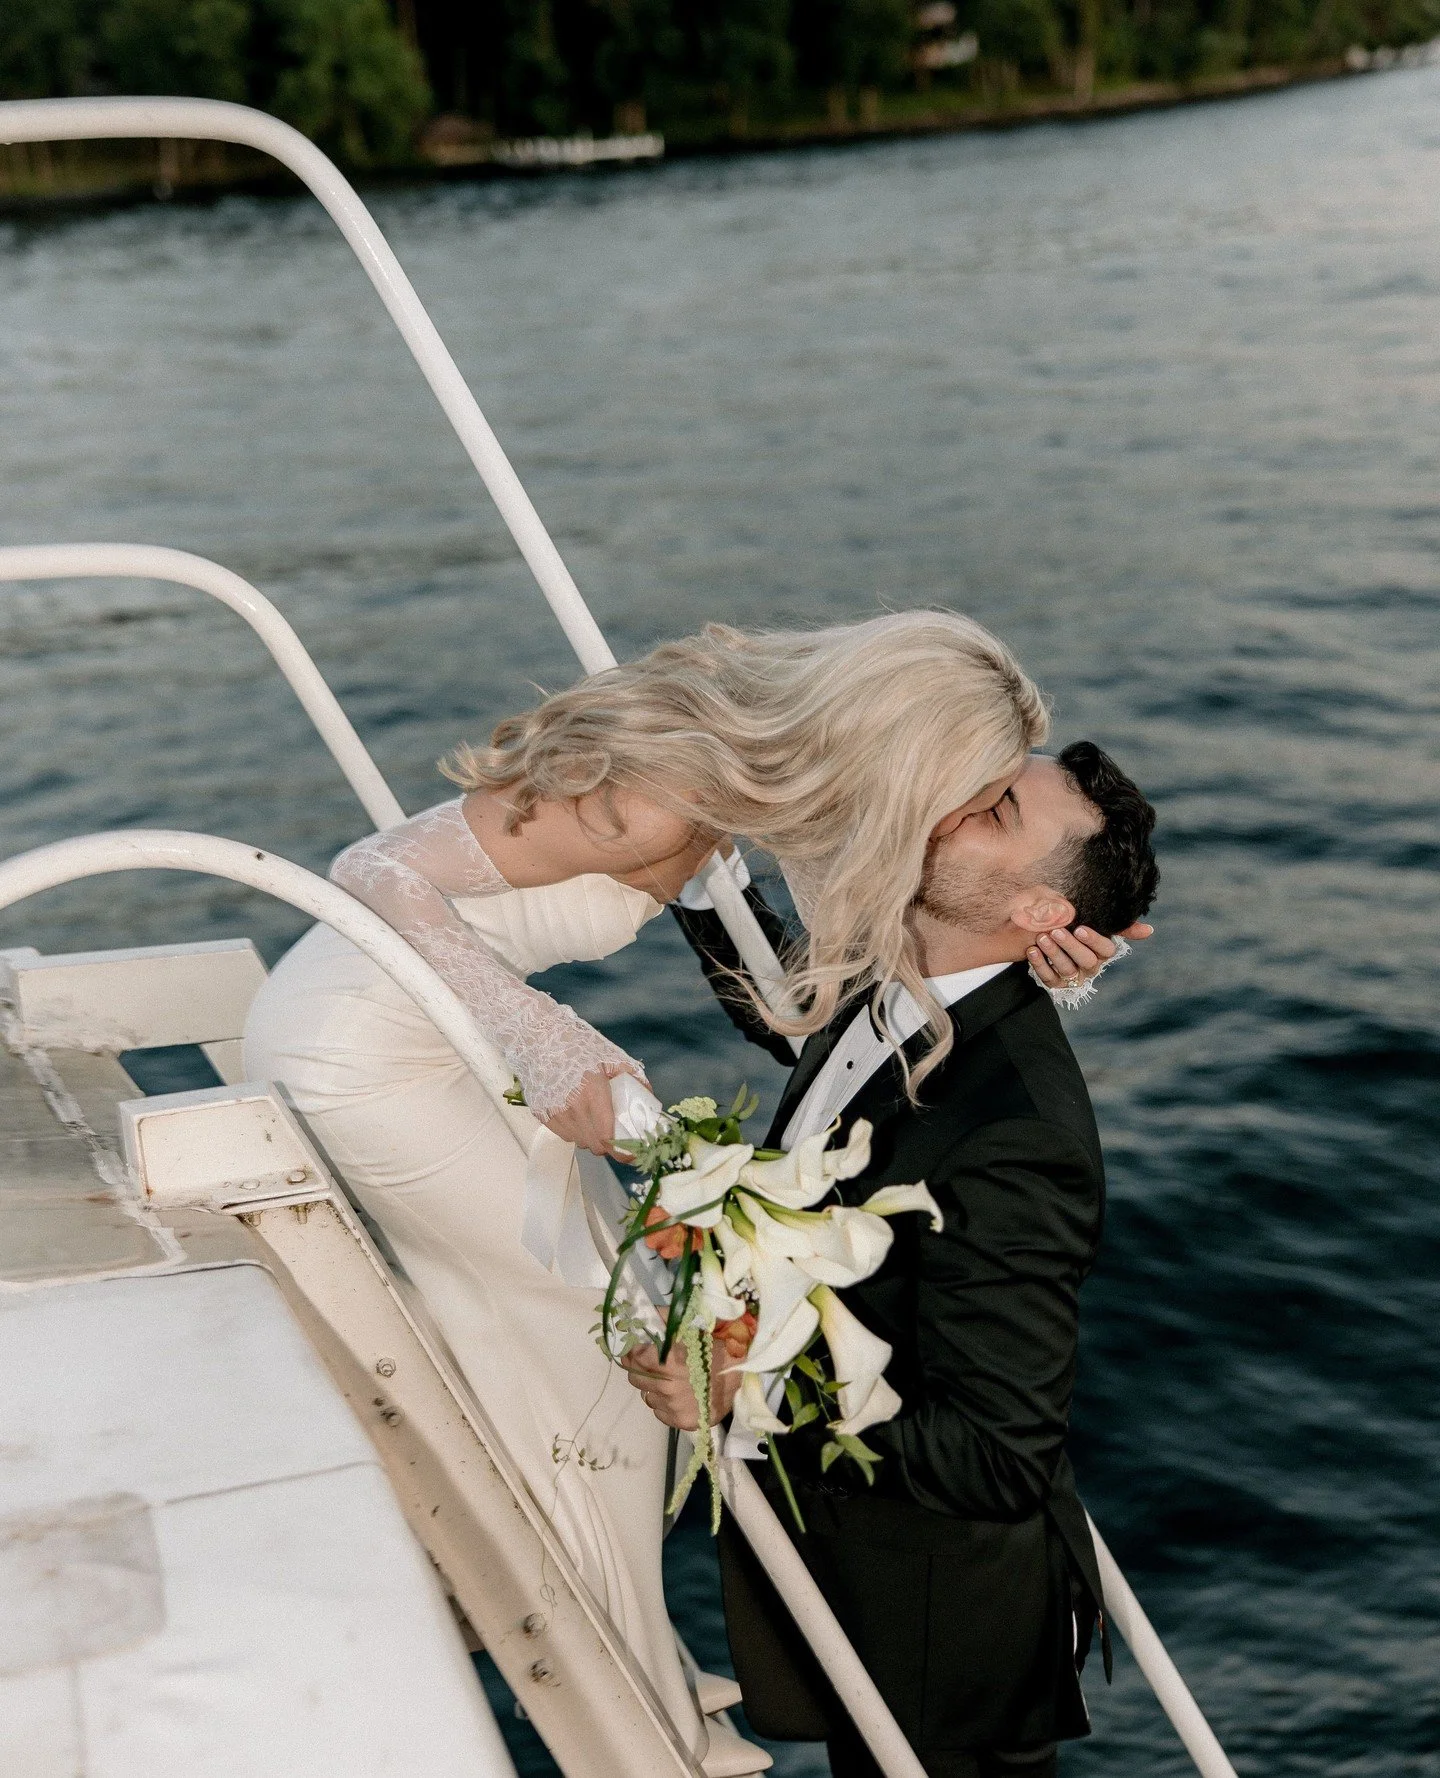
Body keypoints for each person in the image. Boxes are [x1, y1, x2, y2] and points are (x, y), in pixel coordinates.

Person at [241, 612, 1136, 1765]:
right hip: (370, 1035)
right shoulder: (676, 788)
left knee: (610, 1336)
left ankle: (625, 1671)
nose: (954, 816)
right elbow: (372, 870)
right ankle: (628, 1702)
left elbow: (787, 1003)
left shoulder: (781, 791)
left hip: (420, 1017)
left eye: (988, 808)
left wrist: (1024, 965)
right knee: (598, 1336)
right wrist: (539, 1034)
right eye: (974, 791)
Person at [630, 741, 1160, 1778]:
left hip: (942, 1638)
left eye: (998, 811)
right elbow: (803, 1017)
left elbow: (998, 1455)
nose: (956, 807)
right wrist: (702, 860)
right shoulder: (912, 981)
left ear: (1043, 913)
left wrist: (750, 1386)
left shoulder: (1019, 1131)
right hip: (871, 1579)